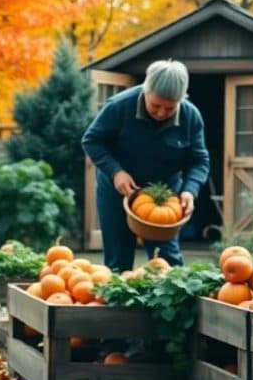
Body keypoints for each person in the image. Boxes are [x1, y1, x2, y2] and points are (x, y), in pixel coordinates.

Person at [81, 59, 210, 272]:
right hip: (118, 190)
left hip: (163, 196)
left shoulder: (191, 117)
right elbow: (91, 141)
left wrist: (190, 190)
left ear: (181, 99)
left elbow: (199, 160)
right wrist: (116, 171)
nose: (161, 113)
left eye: (169, 108)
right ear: (146, 91)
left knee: (168, 262)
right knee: (118, 262)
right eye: (155, 105)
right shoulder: (119, 107)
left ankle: (172, 305)